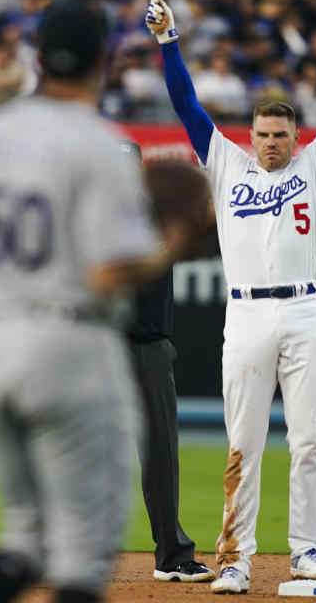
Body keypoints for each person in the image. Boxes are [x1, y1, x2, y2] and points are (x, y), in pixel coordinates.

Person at [0, 0, 187, 603]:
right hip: (65, 344)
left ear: (35, 59)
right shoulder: (98, 145)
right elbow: (108, 273)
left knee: (25, 543)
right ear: (102, 61)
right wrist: (176, 244)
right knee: (81, 559)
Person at [145, 0, 316, 594]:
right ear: (249, 136)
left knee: (308, 439)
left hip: (304, 309)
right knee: (242, 445)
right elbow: (187, 105)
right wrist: (169, 43)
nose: (271, 141)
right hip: (246, 314)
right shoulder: (225, 163)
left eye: (280, 133)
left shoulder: (315, 166)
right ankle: (237, 559)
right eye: (263, 133)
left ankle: (306, 550)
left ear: (295, 136)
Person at [119, 140, 216, 585]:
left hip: (149, 346)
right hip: (94, 347)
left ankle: (172, 555)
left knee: (160, 455)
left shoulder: (163, 216)